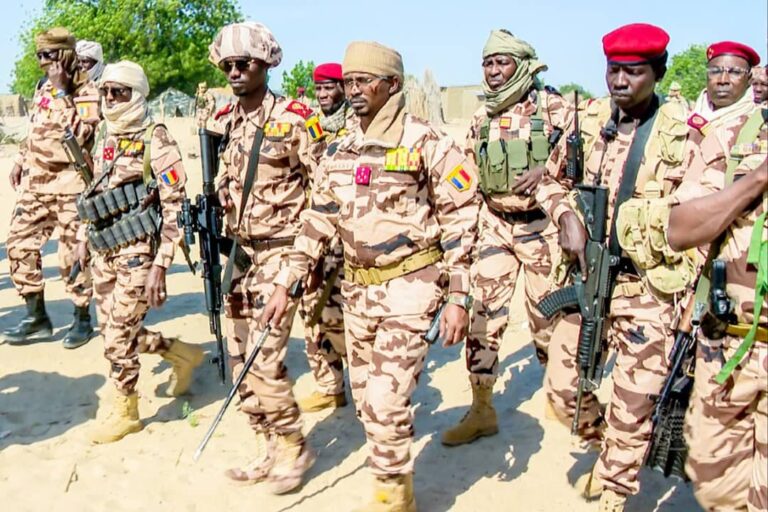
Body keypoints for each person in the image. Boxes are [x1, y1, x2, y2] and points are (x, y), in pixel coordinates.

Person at [262, 40, 480, 512]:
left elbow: (462, 219)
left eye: (364, 81)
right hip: (357, 293)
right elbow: (317, 220)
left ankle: (393, 497)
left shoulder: (427, 142)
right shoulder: (341, 148)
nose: (353, 90)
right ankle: (394, 475)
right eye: (349, 82)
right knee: (365, 400)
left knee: (385, 400)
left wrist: (459, 296)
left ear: (392, 85)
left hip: (411, 289)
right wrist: (286, 281)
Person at [537, 23, 700, 511]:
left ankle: (614, 490)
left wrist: (689, 304)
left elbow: (701, 221)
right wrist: (565, 215)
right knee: (563, 389)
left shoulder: (684, 135)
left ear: (658, 73)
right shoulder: (589, 123)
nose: (620, 81)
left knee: (633, 406)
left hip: (649, 291)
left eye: (634, 72)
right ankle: (604, 443)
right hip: (588, 280)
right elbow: (548, 181)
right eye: (613, 70)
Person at [208, 21, 321, 494]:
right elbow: (223, 179)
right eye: (227, 65)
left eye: (244, 63)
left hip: (284, 251)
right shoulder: (225, 121)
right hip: (240, 253)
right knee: (238, 353)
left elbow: (326, 193)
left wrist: (305, 264)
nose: (235, 72)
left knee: (264, 352)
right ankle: (266, 443)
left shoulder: (297, 118)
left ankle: (295, 444)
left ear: (265, 64)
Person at [440, 29, 568, 447]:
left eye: (502, 62)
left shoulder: (554, 108)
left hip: (542, 226)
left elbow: (580, 168)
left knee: (546, 318)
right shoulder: (482, 117)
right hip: (495, 224)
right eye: (488, 63)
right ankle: (482, 408)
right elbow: (467, 174)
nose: (494, 71)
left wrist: (548, 172)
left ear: (522, 65)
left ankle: (560, 391)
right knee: (484, 316)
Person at [78, 61, 204, 443]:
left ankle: (126, 409)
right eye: (106, 91)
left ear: (136, 94)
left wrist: (160, 265)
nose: (111, 98)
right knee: (113, 330)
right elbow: (96, 191)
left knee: (118, 334)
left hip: (137, 254)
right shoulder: (105, 134)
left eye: (119, 92)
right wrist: (84, 237)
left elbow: (175, 208)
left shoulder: (156, 139)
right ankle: (180, 353)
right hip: (104, 248)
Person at [667, 107, 767, 512]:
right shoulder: (735, 137)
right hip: (729, 347)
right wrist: (757, 179)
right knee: (715, 486)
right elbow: (680, 230)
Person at [3, 27, 99, 349]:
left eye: (49, 55)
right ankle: (37, 317)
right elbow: (36, 129)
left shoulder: (86, 90)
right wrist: (20, 160)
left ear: (66, 54)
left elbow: (82, 135)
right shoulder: (42, 85)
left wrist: (62, 92)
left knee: (72, 255)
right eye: (39, 55)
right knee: (18, 244)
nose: (43, 61)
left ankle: (82, 318)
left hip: (71, 185)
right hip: (36, 185)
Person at [295, 61, 353, 412]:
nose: (323, 94)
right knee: (311, 309)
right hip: (318, 233)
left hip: (349, 237)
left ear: (343, 88)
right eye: (319, 88)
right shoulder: (312, 125)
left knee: (346, 313)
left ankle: (363, 380)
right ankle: (330, 385)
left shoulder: (357, 125)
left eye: (330, 88)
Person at [689, 41, 760, 135]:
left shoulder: (759, 124)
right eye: (715, 71)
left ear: (749, 79)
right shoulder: (684, 120)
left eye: (735, 72)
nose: (723, 80)